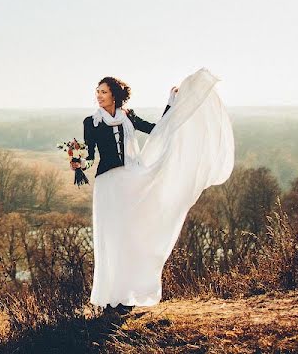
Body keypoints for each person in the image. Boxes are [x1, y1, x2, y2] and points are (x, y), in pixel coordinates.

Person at [73, 68, 235, 314]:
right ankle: (111, 298)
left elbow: (158, 129)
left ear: (115, 95)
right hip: (109, 184)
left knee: (133, 235)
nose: (99, 96)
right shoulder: (92, 122)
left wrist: (173, 104)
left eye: (103, 92)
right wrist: (78, 164)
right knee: (113, 237)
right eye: (97, 92)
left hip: (133, 178)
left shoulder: (129, 116)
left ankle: (127, 295)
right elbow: (90, 155)